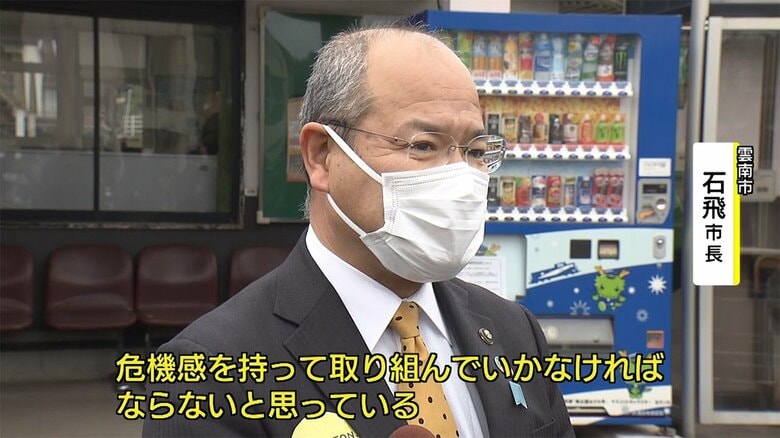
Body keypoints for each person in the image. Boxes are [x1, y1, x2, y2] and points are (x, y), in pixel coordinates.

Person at [143, 23, 574, 437]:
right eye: (423, 145)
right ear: (322, 155)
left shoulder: (514, 330)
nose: (460, 177)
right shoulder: (208, 371)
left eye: (476, 151)